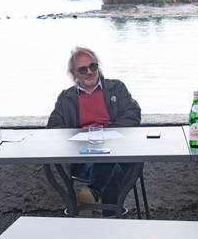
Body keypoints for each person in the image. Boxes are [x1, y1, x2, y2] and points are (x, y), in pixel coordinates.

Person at [48, 47, 141, 216]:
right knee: (113, 169)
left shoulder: (117, 88)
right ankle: (111, 216)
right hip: (84, 158)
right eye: (83, 69)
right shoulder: (66, 98)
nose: (89, 72)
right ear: (74, 74)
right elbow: (54, 127)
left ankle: (93, 193)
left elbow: (133, 114)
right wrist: (82, 137)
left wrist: (105, 133)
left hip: (119, 150)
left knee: (110, 157)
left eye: (93, 66)